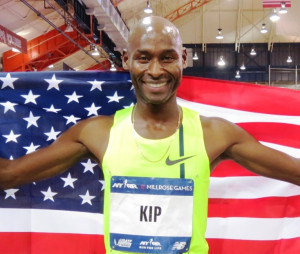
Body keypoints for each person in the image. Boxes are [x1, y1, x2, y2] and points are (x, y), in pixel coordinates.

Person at [0, 16, 300, 254]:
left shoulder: (215, 134)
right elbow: (11, 174)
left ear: (183, 58)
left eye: (167, 57)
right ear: (127, 60)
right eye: (144, 58)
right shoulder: (98, 133)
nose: (155, 71)